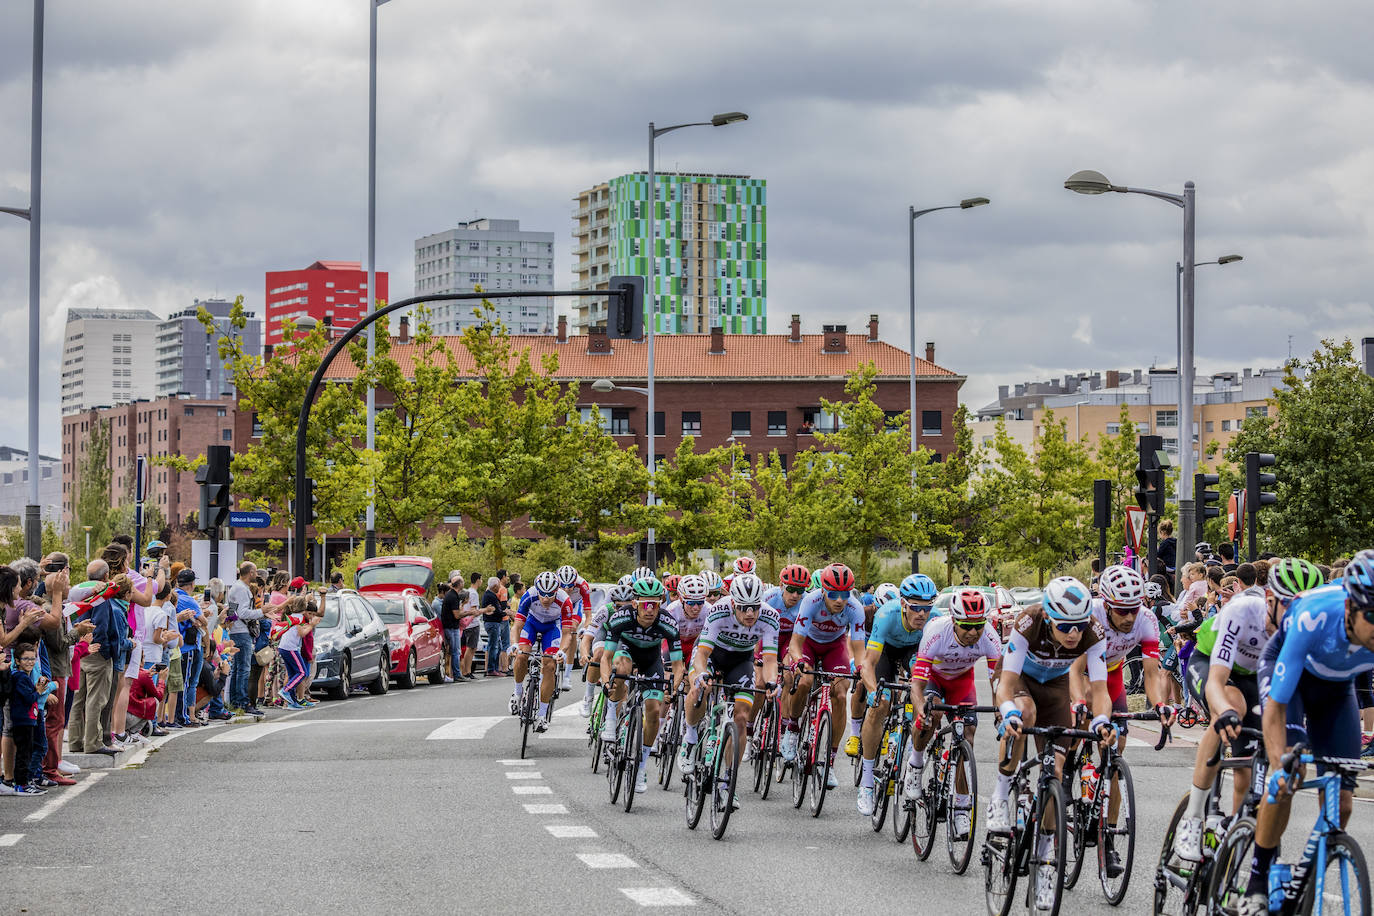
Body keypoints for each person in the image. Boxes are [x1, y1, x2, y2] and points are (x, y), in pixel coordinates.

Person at [1239, 552, 1374, 915]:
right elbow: (1277, 706)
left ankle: (1309, 872)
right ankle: (1258, 880)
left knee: (1343, 803)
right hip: (1291, 679)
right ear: (1350, 607)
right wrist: (1278, 761)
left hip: (1336, 689)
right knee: (1286, 777)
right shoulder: (1313, 617)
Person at [1170, 560, 1311, 863]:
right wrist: (1223, 712)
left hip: (1252, 675)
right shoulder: (1242, 611)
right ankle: (1193, 818)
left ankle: (1229, 855)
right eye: (1291, 609)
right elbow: (1216, 684)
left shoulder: (1298, 630)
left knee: (1245, 775)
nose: (1297, 620)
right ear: (1270, 601)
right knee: (1232, 708)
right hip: (1210, 662)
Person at [989, 575, 1115, 910]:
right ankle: (1001, 794)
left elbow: (1100, 691)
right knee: (1025, 714)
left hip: (1055, 688)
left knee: (1055, 772)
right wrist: (1008, 712)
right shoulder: (1028, 621)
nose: (1073, 634)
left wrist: (1102, 720)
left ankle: (1045, 863)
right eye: (1064, 627)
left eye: (1078, 626)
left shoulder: (1093, 632)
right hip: (1020, 683)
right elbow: (1006, 684)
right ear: (1048, 617)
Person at [904, 587, 1003, 836]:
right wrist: (921, 710)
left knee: (967, 733)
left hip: (961, 680)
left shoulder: (989, 637)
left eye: (978, 625)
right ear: (954, 620)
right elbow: (917, 684)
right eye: (966, 626)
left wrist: (1002, 712)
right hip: (933, 678)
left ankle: (961, 807)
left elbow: (998, 683)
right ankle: (915, 765)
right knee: (931, 716)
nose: (973, 632)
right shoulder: (937, 632)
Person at [680, 572, 779, 808]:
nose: (750, 614)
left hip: (741, 660)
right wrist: (702, 674)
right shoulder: (719, 610)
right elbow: (702, 655)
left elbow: (770, 660)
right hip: (713, 655)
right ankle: (691, 737)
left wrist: (772, 681)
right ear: (733, 603)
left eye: (754, 607)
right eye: (744, 608)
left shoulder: (770, 617)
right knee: (698, 691)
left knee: (742, 718)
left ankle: (728, 782)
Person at [854, 572, 938, 816]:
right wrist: (872, 691)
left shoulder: (935, 621)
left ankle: (913, 757)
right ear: (903, 604)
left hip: (914, 652)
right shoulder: (887, 615)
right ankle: (867, 782)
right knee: (881, 705)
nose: (922, 614)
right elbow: (868, 663)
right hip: (886, 652)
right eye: (915, 608)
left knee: (921, 699)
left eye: (927, 608)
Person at [781, 563, 864, 788]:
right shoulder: (810, 601)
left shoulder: (855, 608)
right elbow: (795, 644)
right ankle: (793, 728)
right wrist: (798, 661)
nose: (839, 600)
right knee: (805, 680)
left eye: (844, 594)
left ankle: (829, 762)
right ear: (824, 591)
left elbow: (858, 647)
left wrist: (861, 667)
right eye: (834, 594)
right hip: (807, 644)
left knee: (840, 691)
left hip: (834, 646)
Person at [600, 578, 684, 792]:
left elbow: (677, 665)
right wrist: (605, 682)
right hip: (625, 649)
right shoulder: (621, 617)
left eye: (655, 604)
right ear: (635, 603)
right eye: (646, 604)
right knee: (621, 668)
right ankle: (611, 717)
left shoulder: (668, 622)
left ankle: (641, 766)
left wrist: (672, 689)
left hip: (651, 658)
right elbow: (606, 657)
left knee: (654, 711)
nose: (650, 609)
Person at [65, 562, 132, 757]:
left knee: (79, 698)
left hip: (80, 651)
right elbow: (101, 627)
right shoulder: (101, 599)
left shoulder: (78, 594)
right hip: (98, 653)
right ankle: (93, 742)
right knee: (96, 699)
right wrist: (106, 651)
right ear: (106, 577)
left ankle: (76, 741)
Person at [509, 572, 571, 718]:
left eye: (550, 595)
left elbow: (567, 633)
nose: (545, 598)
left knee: (549, 665)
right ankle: (517, 693)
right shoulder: (529, 595)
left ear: (557, 591)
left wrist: (562, 651)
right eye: (542, 594)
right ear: (537, 590)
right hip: (532, 624)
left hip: (552, 628)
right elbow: (517, 626)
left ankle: (542, 715)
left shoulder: (565, 601)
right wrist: (515, 644)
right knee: (521, 655)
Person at [224, 562, 265, 718]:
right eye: (255, 572)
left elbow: (234, 611)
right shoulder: (242, 589)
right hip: (241, 631)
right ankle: (242, 701)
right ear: (251, 572)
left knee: (237, 668)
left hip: (235, 630)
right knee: (244, 668)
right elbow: (242, 612)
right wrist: (261, 612)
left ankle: (235, 701)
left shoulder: (235, 587)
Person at [440, 571, 465, 682]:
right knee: (456, 651)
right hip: (451, 627)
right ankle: (457, 674)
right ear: (459, 584)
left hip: (451, 627)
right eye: (462, 582)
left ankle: (456, 673)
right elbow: (457, 615)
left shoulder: (451, 595)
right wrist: (470, 613)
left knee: (455, 651)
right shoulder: (453, 596)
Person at [480, 577, 507, 678]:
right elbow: (497, 611)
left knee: (497, 645)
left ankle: (495, 668)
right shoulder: (490, 596)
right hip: (492, 623)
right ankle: (491, 669)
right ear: (495, 586)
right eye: (498, 586)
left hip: (493, 623)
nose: (499, 588)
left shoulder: (490, 595)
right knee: (494, 646)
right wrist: (505, 613)